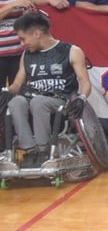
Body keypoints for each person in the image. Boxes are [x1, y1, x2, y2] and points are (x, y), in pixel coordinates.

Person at [7, 12, 91, 166]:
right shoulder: (26, 54)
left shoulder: (71, 51)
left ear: (37, 34)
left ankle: (43, 150)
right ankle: (29, 150)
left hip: (60, 101)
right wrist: (5, 92)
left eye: (23, 38)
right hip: (33, 98)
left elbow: (85, 82)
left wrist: (82, 98)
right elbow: (17, 85)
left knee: (38, 102)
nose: (21, 44)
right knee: (16, 102)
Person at [0, 0, 33, 86]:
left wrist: (28, 13)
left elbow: (27, 15)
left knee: (19, 92)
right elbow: (15, 5)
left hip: (19, 51)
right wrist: (13, 4)